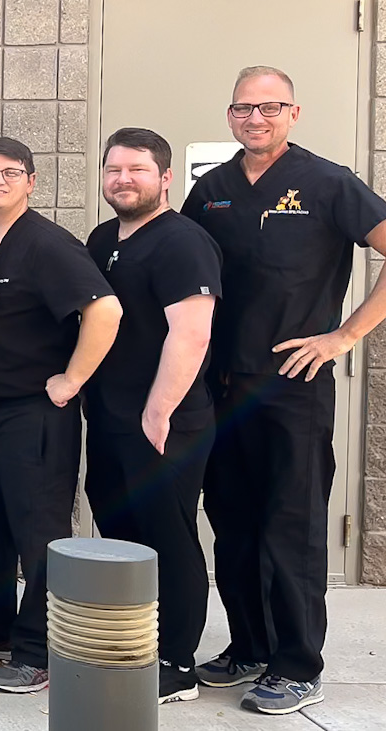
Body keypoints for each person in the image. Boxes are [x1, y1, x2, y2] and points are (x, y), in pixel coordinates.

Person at [186, 66, 386, 715]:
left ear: (293, 112)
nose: (255, 118)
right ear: (230, 115)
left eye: (269, 107)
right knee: (233, 522)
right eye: (243, 108)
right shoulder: (210, 190)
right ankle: (248, 645)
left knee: (291, 527)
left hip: (293, 386)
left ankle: (298, 662)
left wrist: (344, 335)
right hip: (220, 386)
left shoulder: (330, 183)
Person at [0, 136, 121, 695]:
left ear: (31, 182)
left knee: (37, 533)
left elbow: (105, 309)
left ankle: (38, 651)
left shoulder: (47, 244)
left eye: (10, 171)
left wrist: (73, 379)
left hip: (34, 415)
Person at [84, 127, 222, 705]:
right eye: (115, 169)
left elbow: (191, 334)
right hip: (111, 417)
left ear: (165, 177)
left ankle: (177, 662)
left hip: (166, 420)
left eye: (137, 170)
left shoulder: (182, 242)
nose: (123, 180)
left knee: (169, 535)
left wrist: (159, 410)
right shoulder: (102, 238)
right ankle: (131, 643)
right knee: (121, 533)